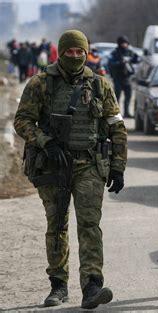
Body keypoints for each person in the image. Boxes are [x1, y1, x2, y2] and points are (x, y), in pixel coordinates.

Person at [14, 30, 128, 309]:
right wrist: (46, 142)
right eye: (69, 51)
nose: (75, 56)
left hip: (89, 164)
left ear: (86, 52)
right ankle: (58, 286)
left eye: (80, 52)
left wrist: (118, 166)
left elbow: (116, 126)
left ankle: (91, 286)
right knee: (57, 225)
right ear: (60, 52)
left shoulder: (101, 85)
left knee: (89, 224)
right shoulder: (40, 83)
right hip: (53, 165)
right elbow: (22, 121)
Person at [108, 35, 139, 117]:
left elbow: (136, 61)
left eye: (126, 43)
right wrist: (120, 63)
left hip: (127, 78)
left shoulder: (130, 52)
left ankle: (127, 113)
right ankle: (116, 113)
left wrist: (134, 58)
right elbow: (111, 64)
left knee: (128, 96)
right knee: (117, 97)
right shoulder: (115, 53)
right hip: (118, 77)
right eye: (123, 43)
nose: (125, 45)